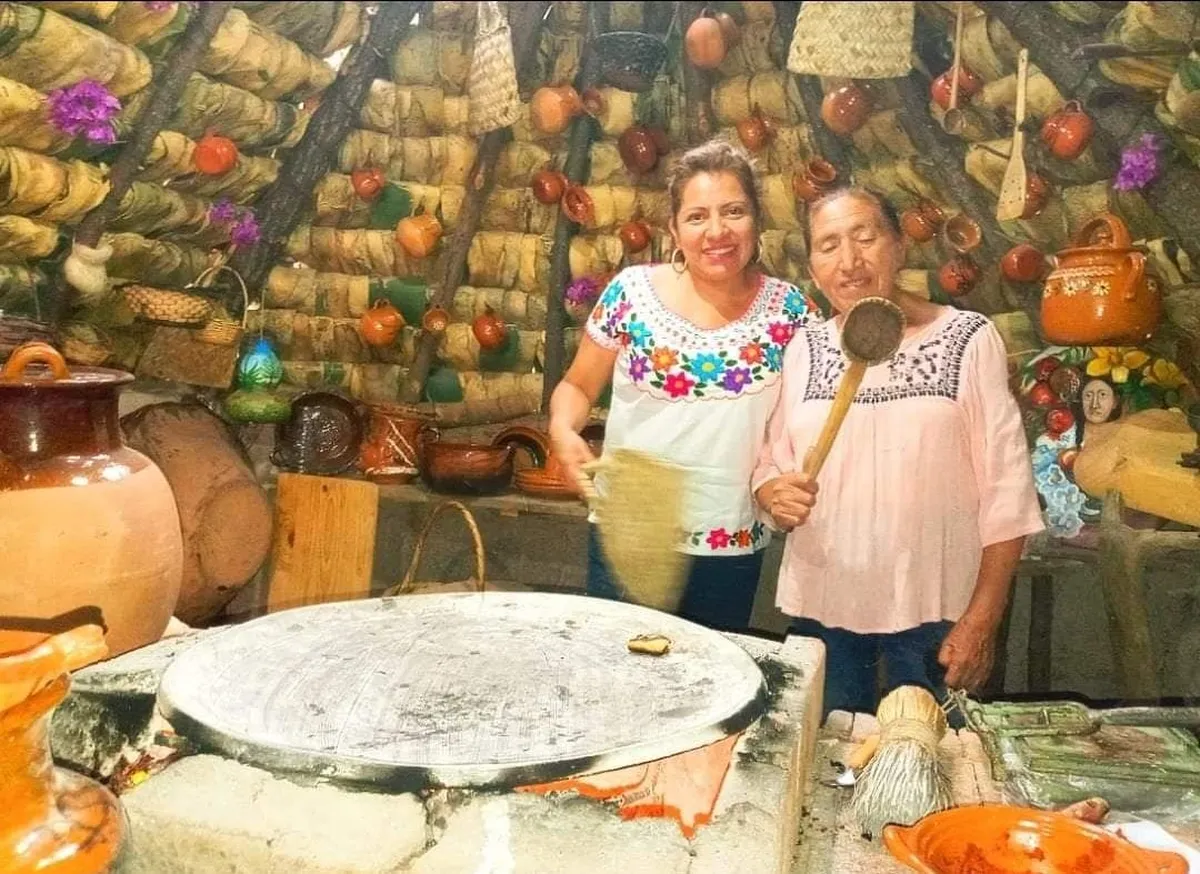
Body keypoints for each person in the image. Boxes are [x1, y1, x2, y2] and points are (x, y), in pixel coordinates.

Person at [751, 186, 1044, 716]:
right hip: (825, 610)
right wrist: (774, 493)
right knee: (831, 756)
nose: (849, 261)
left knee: (933, 758)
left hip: (938, 618)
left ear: (900, 247)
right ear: (813, 268)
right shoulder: (805, 349)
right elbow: (771, 461)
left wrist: (982, 620)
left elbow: (1008, 492)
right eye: (829, 246)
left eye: (865, 237)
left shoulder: (967, 338)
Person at [548, 138, 821, 632]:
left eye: (734, 211)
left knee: (712, 674)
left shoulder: (791, 312)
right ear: (674, 229)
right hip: (631, 537)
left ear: (757, 219)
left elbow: (807, 421)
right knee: (620, 668)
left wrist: (783, 483)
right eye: (697, 217)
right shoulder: (631, 294)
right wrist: (563, 432)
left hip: (731, 543)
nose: (717, 231)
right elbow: (578, 387)